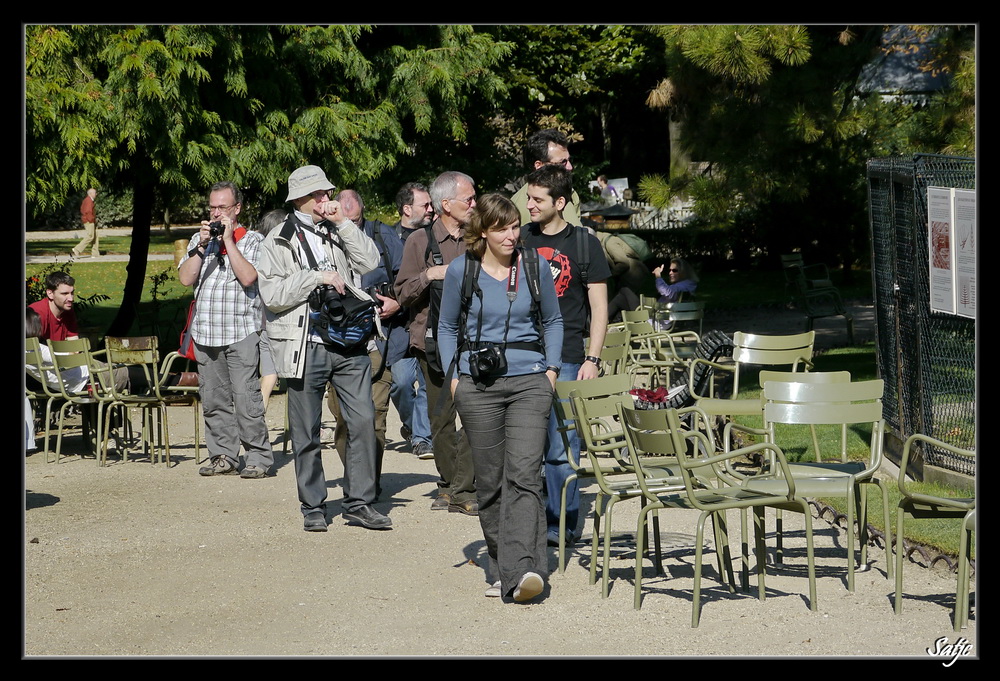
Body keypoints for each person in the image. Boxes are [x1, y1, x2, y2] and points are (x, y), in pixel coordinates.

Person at [437, 194, 563, 602]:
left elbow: (555, 320)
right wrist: (455, 378)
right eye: (502, 228)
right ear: (483, 232)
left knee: (525, 475)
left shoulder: (534, 265)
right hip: (478, 385)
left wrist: (552, 370)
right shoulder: (462, 270)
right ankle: (503, 566)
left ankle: (524, 569)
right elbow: (446, 328)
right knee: (489, 481)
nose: (511, 235)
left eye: (515, 227)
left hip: (530, 381)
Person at [257, 165, 390, 533]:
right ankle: (313, 505)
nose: (326, 199)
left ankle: (359, 502)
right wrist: (317, 277)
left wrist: (345, 223)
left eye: (327, 192)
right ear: (299, 199)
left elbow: (371, 262)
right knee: (306, 429)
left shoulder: (338, 228)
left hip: (349, 341)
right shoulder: (278, 239)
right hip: (305, 345)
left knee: (363, 420)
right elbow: (272, 295)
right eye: (318, 194)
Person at [520, 164, 611, 548]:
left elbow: (600, 307)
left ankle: (563, 524)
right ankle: (531, 521)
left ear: (560, 202)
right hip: (523, 354)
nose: (529, 206)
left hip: (571, 354)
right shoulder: (520, 238)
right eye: (528, 198)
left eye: (537, 199)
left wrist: (593, 358)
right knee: (526, 445)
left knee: (562, 446)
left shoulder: (584, 243)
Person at [394, 171, 479, 515]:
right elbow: (401, 292)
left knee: (475, 418)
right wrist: (430, 275)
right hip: (431, 344)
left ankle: (463, 488)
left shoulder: (480, 239)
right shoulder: (420, 241)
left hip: (475, 343)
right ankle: (448, 485)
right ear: (447, 204)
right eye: (469, 199)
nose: (475, 204)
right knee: (441, 420)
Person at [178, 181, 274, 480]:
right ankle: (223, 456)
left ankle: (258, 457)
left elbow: (248, 278)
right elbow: (184, 278)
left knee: (246, 399)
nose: (216, 213)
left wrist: (229, 241)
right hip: (206, 333)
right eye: (212, 207)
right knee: (214, 400)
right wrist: (202, 246)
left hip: (240, 331)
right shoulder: (199, 239)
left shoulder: (254, 241)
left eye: (222, 208)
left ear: (237, 209)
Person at [325, 188, 406, 497]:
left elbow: (407, 278)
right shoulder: (322, 239)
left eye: (354, 220)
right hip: (339, 342)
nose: (349, 226)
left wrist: (398, 303)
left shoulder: (384, 237)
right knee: (344, 419)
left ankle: (367, 485)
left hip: (377, 340)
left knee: (375, 418)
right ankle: (356, 477)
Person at [388, 182, 435, 459]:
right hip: (398, 327)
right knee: (402, 383)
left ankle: (422, 437)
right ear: (407, 209)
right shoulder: (388, 238)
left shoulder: (434, 235)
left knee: (429, 385)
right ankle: (411, 424)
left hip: (426, 324)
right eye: (424, 205)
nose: (431, 210)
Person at [252, 209, 289, 411]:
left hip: (265, 323)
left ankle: (257, 423)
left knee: (268, 376)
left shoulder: (258, 252)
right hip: (284, 323)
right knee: (298, 378)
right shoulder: (282, 252)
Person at [511, 129, 582, 227]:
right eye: (562, 162)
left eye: (569, 160)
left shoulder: (569, 193)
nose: (570, 167)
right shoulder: (518, 207)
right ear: (539, 166)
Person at [29, 272, 80, 342]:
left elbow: (74, 343)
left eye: (72, 293)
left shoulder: (68, 310)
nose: (71, 299)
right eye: (64, 294)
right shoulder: (36, 314)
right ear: (50, 294)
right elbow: (31, 348)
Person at [71, 188, 100, 258]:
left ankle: (95, 254)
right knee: (90, 236)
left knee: (95, 236)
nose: (96, 194)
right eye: (95, 193)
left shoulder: (88, 200)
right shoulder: (88, 201)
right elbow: (88, 211)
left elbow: (82, 209)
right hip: (89, 221)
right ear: (90, 194)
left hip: (90, 220)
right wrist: (91, 219)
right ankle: (77, 249)